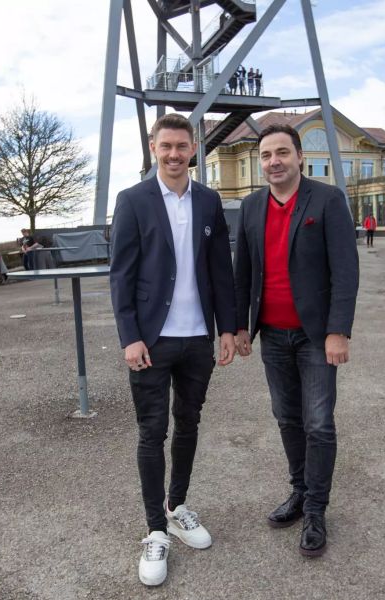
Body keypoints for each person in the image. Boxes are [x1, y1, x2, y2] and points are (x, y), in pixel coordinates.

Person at [110, 113, 237, 586]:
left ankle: (176, 504)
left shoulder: (208, 200)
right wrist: (130, 337)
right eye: (166, 146)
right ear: (153, 148)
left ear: (193, 149)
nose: (174, 154)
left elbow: (221, 270)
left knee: (189, 423)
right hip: (151, 339)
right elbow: (120, 275)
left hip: (198, 338)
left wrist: (228, 328)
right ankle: (155, 530)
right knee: (151, 432)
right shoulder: (133, 201)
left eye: (182, 146)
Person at [233, 124, 359, 558]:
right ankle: (300, 492)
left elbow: (345, 270)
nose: (274, 162)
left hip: (315, 337)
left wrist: (338, 330)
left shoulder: (326, 200)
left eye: (282, 153)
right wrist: (239, 326)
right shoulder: (250, 208)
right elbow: (243, 274)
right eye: (266, 155)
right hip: (272, 336)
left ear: (299, 156)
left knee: (319, 424)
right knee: (287, 419)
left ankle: (317, 512)